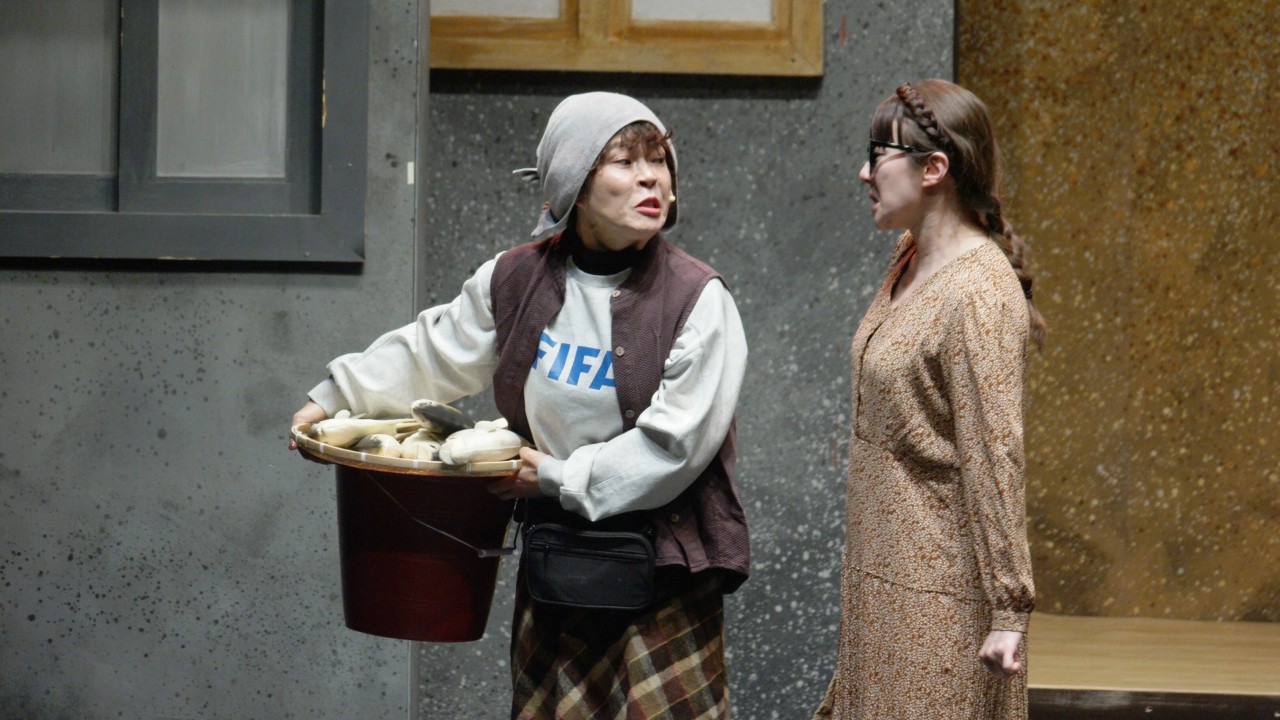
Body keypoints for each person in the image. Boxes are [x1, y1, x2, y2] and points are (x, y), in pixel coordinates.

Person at [290, 92, 750, 719]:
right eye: (624, 161)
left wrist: (555, 475)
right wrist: (332, 399)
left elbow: (675, 447)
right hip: (560, 564)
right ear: (572, 184)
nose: (652, 178)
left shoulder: (698, 300)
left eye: (660, 160)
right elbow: (433, 351)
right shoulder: (517, 280)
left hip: (662, 577)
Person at [815, 79, 1046, 719]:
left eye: (878, 155)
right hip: (881, 579)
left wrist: (1008, 609)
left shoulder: (979, 294)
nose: (864, 173)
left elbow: (995, 456)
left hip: (937, 598)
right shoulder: (910, 255)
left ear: (934, 168)